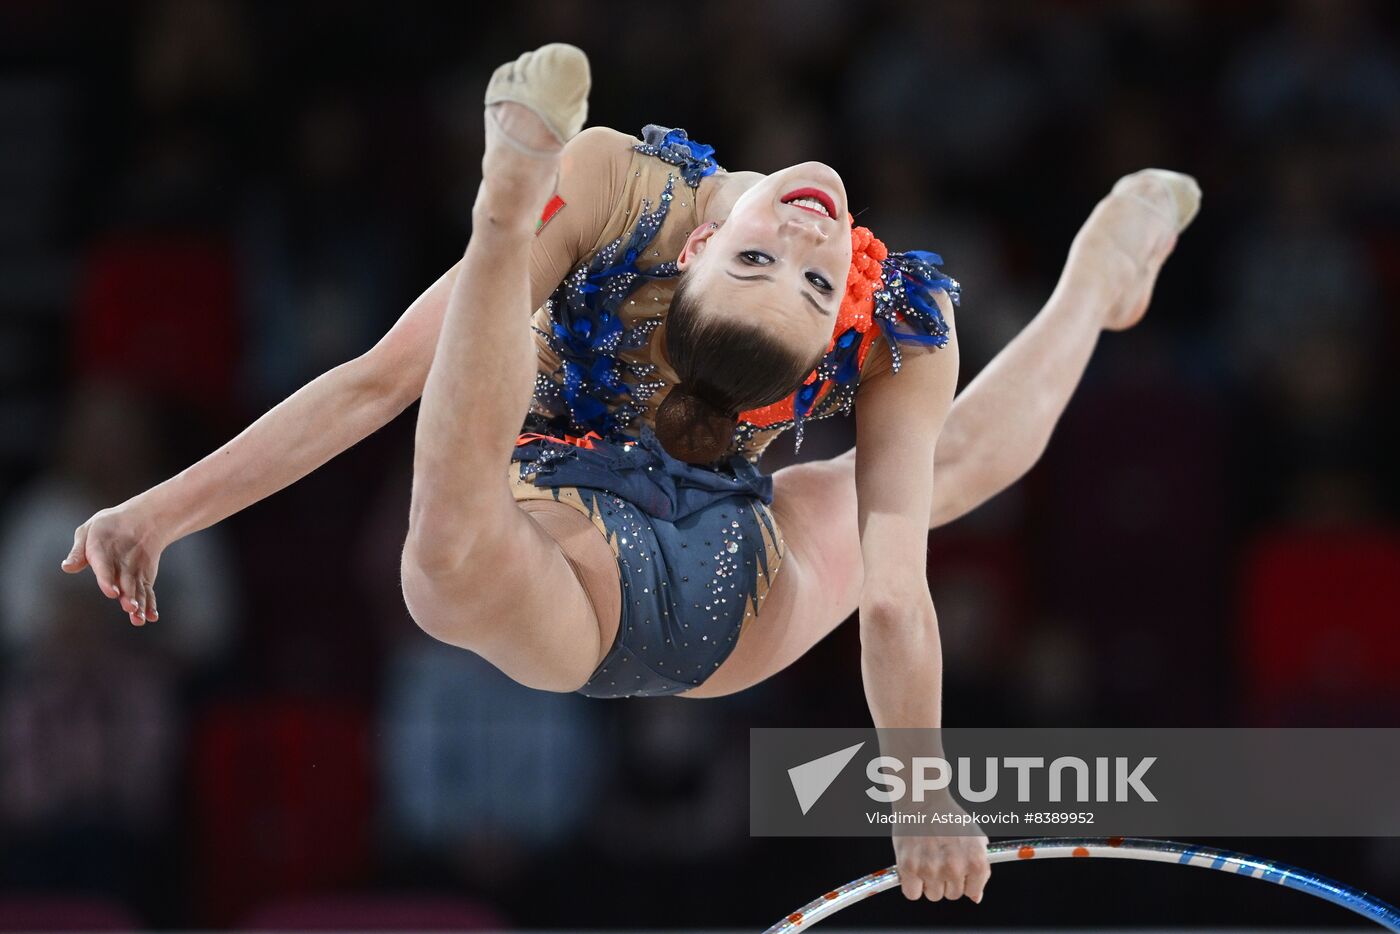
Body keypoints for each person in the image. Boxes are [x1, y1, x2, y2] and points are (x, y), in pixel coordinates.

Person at [61, 44, 1200, 904]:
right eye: (774, 264)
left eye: (805, 283)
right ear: (696, 248)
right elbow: (375, 380)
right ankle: (499, 225)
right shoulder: (616, 185)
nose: (808, 246)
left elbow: (896, 589)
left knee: (920, 474)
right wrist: (161, 512)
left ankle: (1093, 282)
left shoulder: (900, 321)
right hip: (561, 526)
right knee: (455, 527)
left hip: (721, 581)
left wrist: (921, 789)